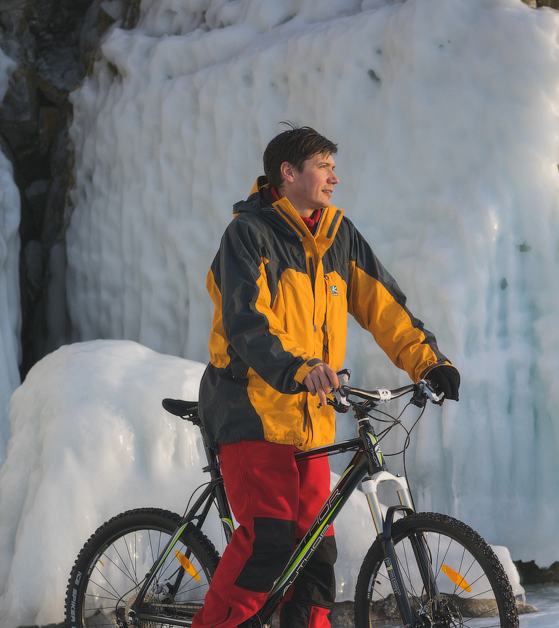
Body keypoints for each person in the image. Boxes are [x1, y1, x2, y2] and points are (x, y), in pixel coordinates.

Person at [193, 125, 461, 628]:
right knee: (267, 543)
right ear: (288, 173)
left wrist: (429, 362)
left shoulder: (339, 237)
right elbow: (246, 324)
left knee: (316, 557)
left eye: (333, 167)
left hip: (311, 420)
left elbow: (384, 307)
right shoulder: (248, 235)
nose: (334, 177)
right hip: (251, 410)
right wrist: (298, 367)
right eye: (323, 166)